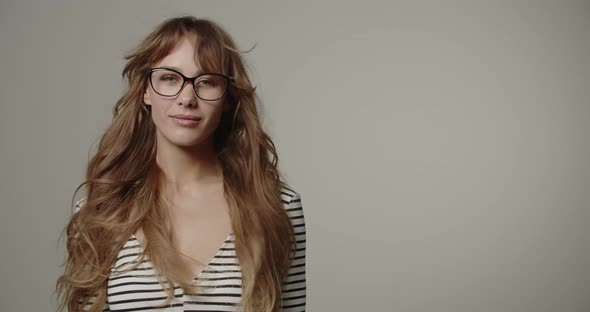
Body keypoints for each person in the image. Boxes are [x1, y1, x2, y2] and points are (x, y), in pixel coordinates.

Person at [55, 16, 306, 312]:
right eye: (169, 78)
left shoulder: (277, 208)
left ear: (227, 98)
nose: (187, 98)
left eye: (207, 81)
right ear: (146, 90)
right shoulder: (101, 209)